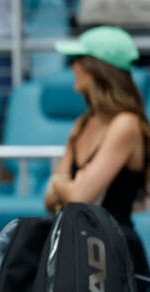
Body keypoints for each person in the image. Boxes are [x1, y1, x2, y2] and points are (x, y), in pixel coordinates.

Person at [46, 25, 150, 278]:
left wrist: (64, 186)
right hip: (77, 247)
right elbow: (49, 199)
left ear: (97, 69)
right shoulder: (82, 123)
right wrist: (67, 188)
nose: (71, 67)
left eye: (76, 60)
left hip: (115, 252)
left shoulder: (126, 124)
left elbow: (78, 196)